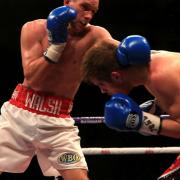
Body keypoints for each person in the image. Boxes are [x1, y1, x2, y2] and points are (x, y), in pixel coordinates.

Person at [0, 0, 113, 179]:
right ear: (67, 2)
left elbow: (124, 57)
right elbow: (32, 77)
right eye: (84, 7)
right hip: (18, 116)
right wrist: (56, 46)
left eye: (93, 11)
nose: (88, 16)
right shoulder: (34, 29)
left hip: (58, 123)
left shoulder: (96, 36)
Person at [81, 35, 180, 179]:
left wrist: (142, 121)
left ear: (115, 76)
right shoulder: (150, 66)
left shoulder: (160, 77)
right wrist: (156, 106)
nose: (102, 91)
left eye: (101, 84)